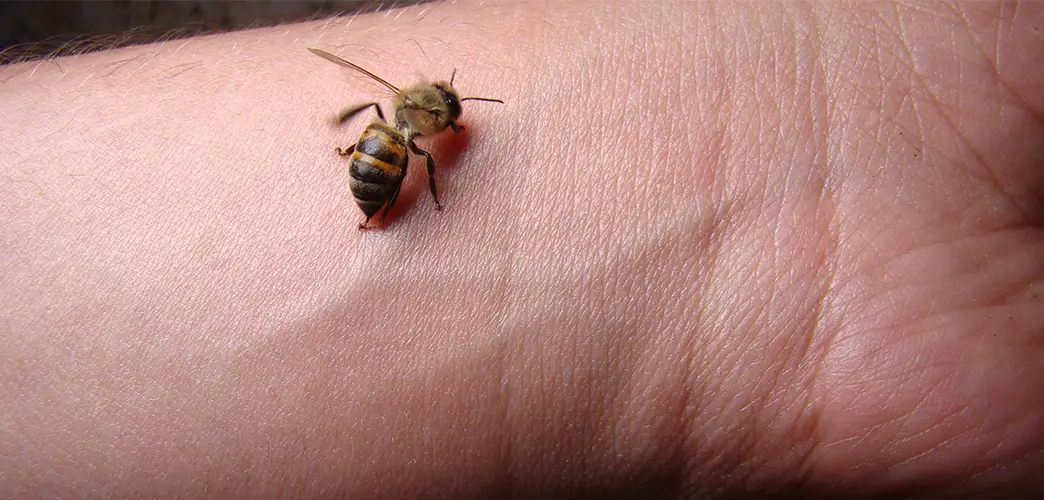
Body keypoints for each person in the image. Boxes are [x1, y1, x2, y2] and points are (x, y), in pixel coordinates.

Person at [1, 1, 1041, 497]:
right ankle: (370, 193)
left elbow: (412, 121)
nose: (451, 119)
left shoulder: (405, 116)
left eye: (443, 115)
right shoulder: (423, 138)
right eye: (444, 114)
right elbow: (428, 140)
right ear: (428, 118)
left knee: (373, 148)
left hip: (374, 162)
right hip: (381, 179)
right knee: (383, 168)